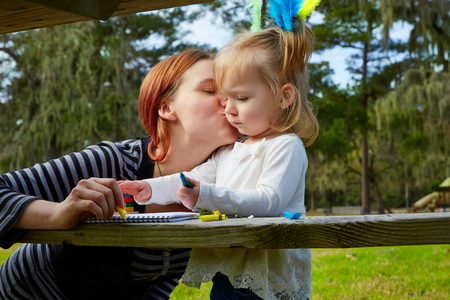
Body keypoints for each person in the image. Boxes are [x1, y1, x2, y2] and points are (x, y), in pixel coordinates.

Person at [0, 49, 239, 300]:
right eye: (211, 91)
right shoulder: (117, 163)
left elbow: (159, 278)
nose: (229, 101)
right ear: (166, 107)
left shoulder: (229, 187)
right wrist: (56, 215)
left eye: (234, 93)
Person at [119, 16, 319, 300]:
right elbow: (190, 180)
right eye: (227, 98)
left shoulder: (286, 146)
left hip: (271, 279)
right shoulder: (229, 152)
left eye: (242, 98)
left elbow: (269, 201)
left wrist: (207, 196)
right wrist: (150, 189)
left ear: (284, 96)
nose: (229, 109)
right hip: (231, 270)